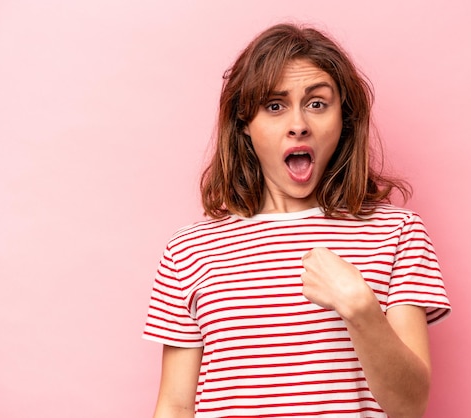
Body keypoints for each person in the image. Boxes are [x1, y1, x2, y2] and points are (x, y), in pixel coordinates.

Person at [143, 23, 450, 418]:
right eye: (275, 105)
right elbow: (175, 404)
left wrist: (359, 307)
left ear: (345, 121)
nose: (299, 123)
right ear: (244, 125)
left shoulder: (398, 234)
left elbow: (411, 408)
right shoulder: (188, 251)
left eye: (317, 103)